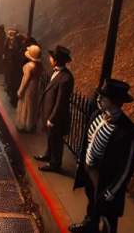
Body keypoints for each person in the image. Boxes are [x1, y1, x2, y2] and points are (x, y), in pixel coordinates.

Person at [69, 79, 134, 233]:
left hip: (106, 179)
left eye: (103, 97)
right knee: (91, 201)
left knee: (107, 215)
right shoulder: (97, 114)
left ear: (114, 101)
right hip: (90, 169)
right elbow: (86, 141)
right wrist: (82, 162)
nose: (98, 99)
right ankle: (90, 224)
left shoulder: (129, 132)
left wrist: (111, 191)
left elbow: (127, 168)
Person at [35, 45, 74, 173]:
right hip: (49, 111)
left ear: (56, 61)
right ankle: (48, 154)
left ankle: (55, 163)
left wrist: (52, 118)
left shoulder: (66, 78)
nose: (49, 59)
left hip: (56, 116)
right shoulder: (55, 72)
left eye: (51, 58)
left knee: (56, 139)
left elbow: (61, 102)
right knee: (50, 136)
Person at [15, 45, 43, 133]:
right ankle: (31, 124)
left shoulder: (29, 66)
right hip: (36, 86)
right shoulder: (39, 66)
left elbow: (25, 80)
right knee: (32, 105)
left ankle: (24, 124)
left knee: (25, 105)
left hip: (29, 87)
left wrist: (20, 90)